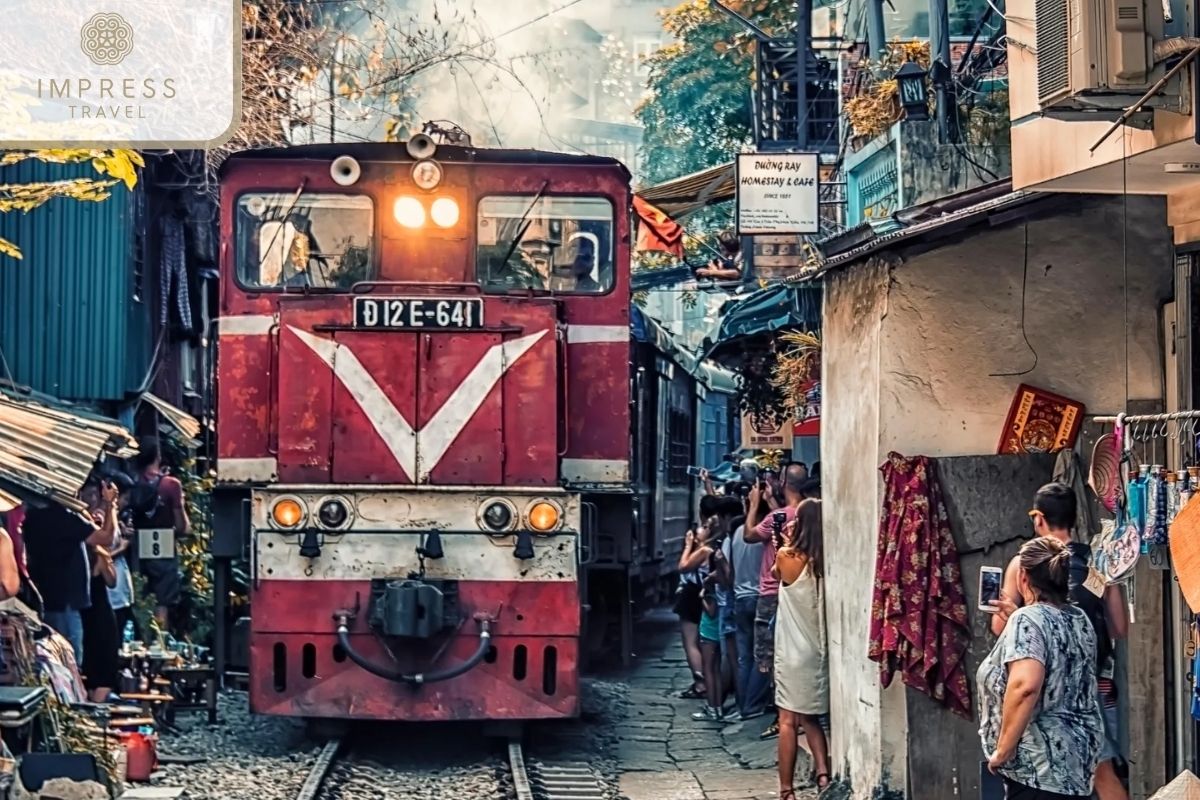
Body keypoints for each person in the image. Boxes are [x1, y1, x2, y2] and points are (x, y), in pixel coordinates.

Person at [990, 483, 1128, 800]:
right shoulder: (1095, 563)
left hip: (1043, 698)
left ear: (1038, 518)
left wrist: (1017, 617)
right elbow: (1119, 627)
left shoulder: (1024, 564)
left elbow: (1001, 629)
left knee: (1045, 781)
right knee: (1104, 775)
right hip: (1094, 690)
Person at [979, 537, 1104, 799]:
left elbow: (1025, 686)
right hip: (1076, 766)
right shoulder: (1077, 619)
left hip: (1038, 771)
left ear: (1023, 577)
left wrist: (1002, 750)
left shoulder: (1028, 619)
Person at [745, 462, 808, 739]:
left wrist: (754, 503)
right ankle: (802, 713)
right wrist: (771, 502)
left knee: (769, 657)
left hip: (772, 591)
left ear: (783, 481)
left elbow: (749, 535)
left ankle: (780, 715)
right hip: (800, 591)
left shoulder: (778, 516)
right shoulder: (809, 512)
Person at [24, 479, 118, 666]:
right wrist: (110, 504)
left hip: (45, 597)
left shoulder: (33, 516)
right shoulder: (63, 517)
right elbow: (107, 538)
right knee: (69, 662)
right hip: (64, 602)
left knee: (49, 659)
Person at [773, 500, 830, 797]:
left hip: (792, 653)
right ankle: (823, 776)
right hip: (817, 651)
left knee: (787, 721)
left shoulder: (786, 555)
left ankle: (786, 789)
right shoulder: (825, 560)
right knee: (811, 718)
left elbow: (775, 574)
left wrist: (784, 542)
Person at [130, 439, 189, 634]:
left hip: (136, 546)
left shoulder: (132, 483)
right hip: (163, 544)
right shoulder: (171, 485)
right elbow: (182, 526)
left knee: (138, 597)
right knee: (162, 601)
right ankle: (159, 642)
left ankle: (139, 643)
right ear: (158, 457)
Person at [730, 492, 769, 720]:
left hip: (740, 597)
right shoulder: (763, 534)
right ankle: (753, 705)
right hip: (759, 596)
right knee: (761, 656)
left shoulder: (737, 533)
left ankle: (743, 704)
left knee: (744, 657)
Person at [676, 494, 721, 698]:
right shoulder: (718, 547)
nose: (698, 529)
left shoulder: (704, 550)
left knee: (691, 641)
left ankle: (701, 682)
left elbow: (683, 567)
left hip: (693, 593)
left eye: (703, 527)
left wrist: (687, 545)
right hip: (707, 594)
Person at [688, 515, 731, 722]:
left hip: (710, 626)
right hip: (715, 625)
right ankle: (717, 707)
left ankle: (713, 708)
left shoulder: (712, 584)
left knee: (710, 668)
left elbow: (711, 610)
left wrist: (702, 594)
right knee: (715, 668)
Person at [81, 542, 119, 702]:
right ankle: (99, 709)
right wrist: (108, 557)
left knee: (89, 667)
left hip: (83, 614)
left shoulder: (73, 555)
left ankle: (89, 704)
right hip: (101, 613)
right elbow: (112, 581)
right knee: (105, 668)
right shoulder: (99, 555)